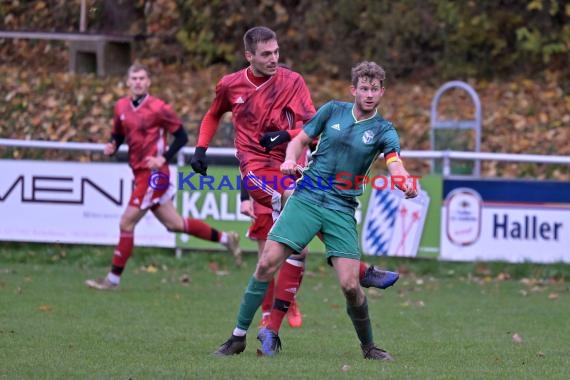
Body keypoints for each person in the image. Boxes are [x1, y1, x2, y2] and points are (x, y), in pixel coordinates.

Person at [192, 26, 399, 353]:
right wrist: (201, 148)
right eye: (266, 54)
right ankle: (358, 270)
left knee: (281, 254)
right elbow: (214, 113)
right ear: (249, 56)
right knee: (286, 229)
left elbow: (309, 127)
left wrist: (283, 136)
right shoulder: (230, 84)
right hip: (254, 166)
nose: (274, 59)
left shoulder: (293, 81)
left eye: (276, 52)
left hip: (288, 167)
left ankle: (265, 333)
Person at [85, 63, 242, 291]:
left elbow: (181, 136)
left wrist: (163, 158)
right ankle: (226, 239)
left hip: (154, 175)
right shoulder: (120, 107)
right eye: (134, 78)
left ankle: (112, 280)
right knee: (174, 224)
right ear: (128, 82)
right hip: (139, 173)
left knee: (126, 222)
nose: (138, 82)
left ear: (148, 82)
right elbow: (118, 134)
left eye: (142, 78)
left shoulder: (159, 108)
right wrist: (112, 145)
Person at [239, 187, 302, 329]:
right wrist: (244, 199)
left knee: (298, 253)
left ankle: (289, 300)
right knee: (265, 261)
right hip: (264, 198)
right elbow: (244, 166)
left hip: (292, 194)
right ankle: (266, 314)